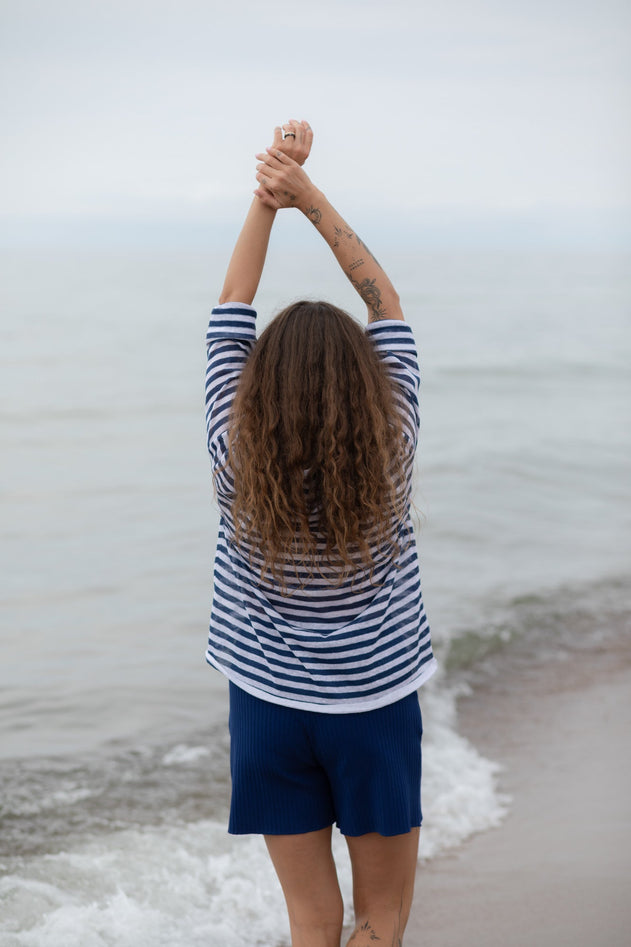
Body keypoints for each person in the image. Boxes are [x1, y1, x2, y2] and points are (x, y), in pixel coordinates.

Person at [204, 119, 437, 947]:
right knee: (379, 919)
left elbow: (231, 309)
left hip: (266, 709)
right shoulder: (391, 442)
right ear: (367, 382)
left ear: (256, 384)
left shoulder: (232, 446)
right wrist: (307, 197)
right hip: (371, 708)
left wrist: (266, 199)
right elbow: (386, 301)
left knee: (311, 917)